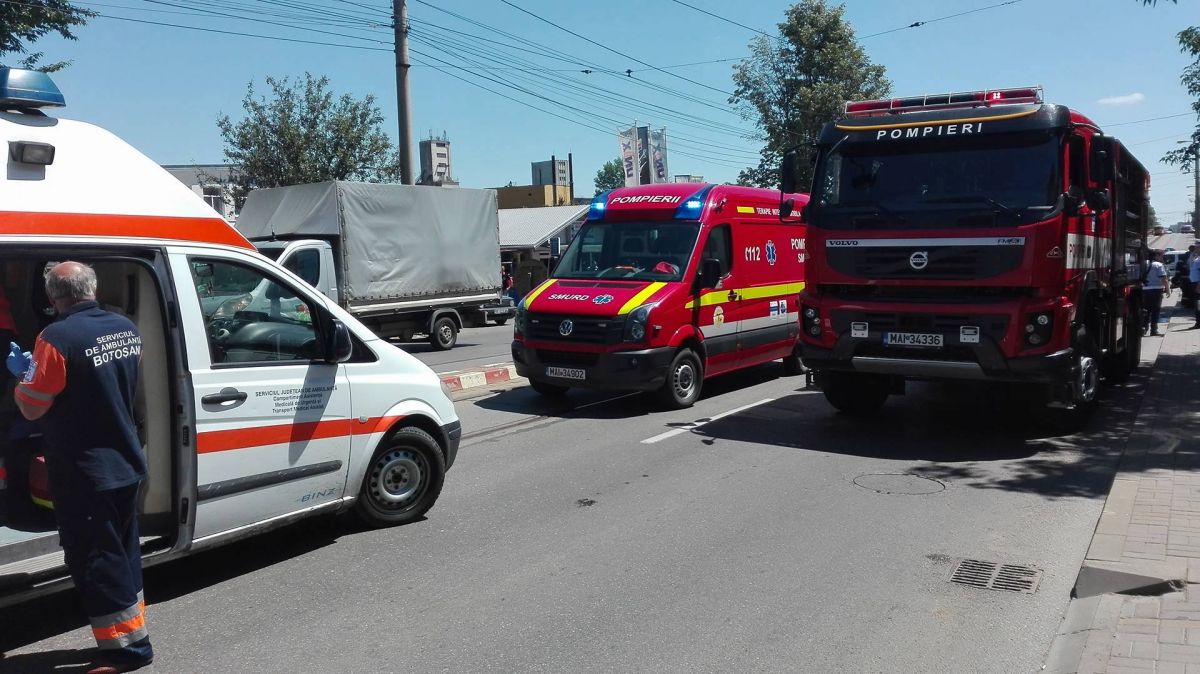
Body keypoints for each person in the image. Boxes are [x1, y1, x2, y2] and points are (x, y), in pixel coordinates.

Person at [7, 262, 152, 674]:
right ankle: (133, 630)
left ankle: (128, 651)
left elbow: (32, 408)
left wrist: (23, 378)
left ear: (53, 297)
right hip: (125, 462)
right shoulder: (125, 327)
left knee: (98, 559)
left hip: (85, 472)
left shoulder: (56, 337)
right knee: (122, 553)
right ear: (92, 288)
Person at [1143, 250, 1170, 336]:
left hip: (1145, 290)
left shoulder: (1144, 263)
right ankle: (1154, 330)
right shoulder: (1158, 265)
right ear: (1155, 256)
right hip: (1156, 290)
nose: (1162, 258)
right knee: (1155, 310)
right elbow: (1164, 279)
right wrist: (1168, 289)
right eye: (1161, 256)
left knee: (1146, 310)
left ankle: (1144, 328)